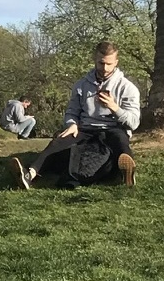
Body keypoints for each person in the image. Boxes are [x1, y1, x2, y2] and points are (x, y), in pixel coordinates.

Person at [10, 41, 142, 189]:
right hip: (84, 128)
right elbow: (72, 111)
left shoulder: (127, 88)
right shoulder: (81, 85)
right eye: (101, 63)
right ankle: (29, 175)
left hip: (112, 128)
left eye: (109, 64)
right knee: (58, 142)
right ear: (94, 59)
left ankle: (126, 172)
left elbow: (134, 123)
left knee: (120, 141)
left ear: (116, 62)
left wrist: (114, 108)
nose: (105, 68)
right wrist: (72, 124)